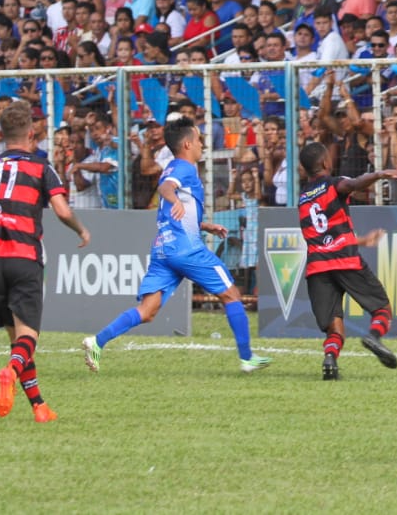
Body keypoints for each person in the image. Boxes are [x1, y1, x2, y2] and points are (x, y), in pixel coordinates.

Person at [81, 117, 271, 374]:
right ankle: (247, 358)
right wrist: (174, 200)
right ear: (187, 144)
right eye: (199, 139)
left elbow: (178, 205)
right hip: (185, 248)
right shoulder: (184, 168)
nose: (203, 143)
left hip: (163, 248)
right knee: (231, 295)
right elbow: (165, 188)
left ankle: (97, 341)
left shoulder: (173, 166)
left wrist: (205, 226)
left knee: (147, 311)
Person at [0, 100, 91, 423]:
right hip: (24, 258)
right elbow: (61, 210)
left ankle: (39, 407)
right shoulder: (42, 168)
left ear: (1, 134)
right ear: (32, 134)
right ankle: (10, 373)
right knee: (28, 338)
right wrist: (81, 229)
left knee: (16, 339)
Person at [297, 141, 397, 379]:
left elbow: (322, 238)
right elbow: (353, 184)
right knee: (382, 309)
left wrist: (360, 240)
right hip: (345, 261)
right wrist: (378, 174)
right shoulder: (334, 184)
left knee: (334, 325)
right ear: (326, 162)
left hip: (318, 267)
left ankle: (330, 358)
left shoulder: (303, 198)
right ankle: (374, 336)